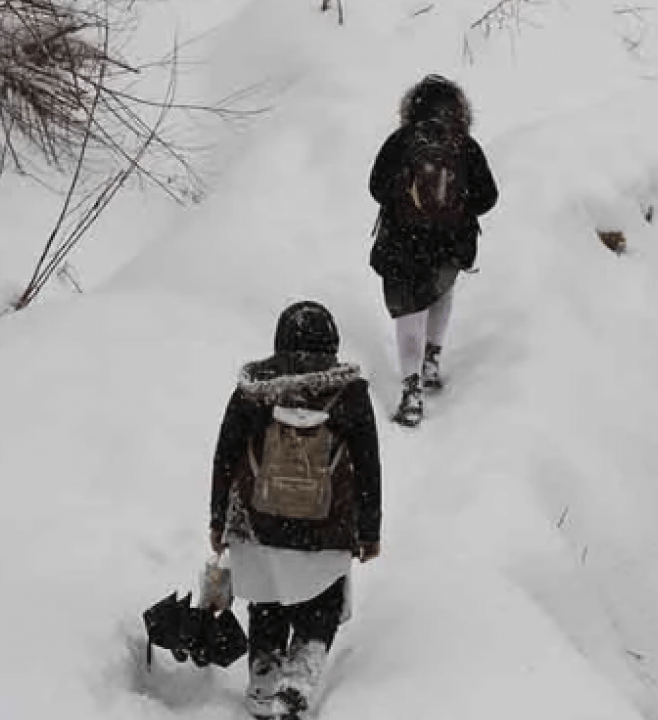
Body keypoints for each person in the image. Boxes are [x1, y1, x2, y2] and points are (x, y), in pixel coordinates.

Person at [209, 300, 382, 720]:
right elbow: (367, 464)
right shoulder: (350, 393)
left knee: (267, 601)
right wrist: (369, 530)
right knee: (320, 603)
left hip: (258, 523)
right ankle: (298, 679)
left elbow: (226, 456)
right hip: (328, 525)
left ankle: (263, 681)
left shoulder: (253, 389)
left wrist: (218, 519)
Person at [368, 74, 499, 427]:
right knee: (440, 292)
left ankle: (411, 391)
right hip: (449, 245)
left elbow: (376, 186)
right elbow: (489, 197)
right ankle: (432, 360)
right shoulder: (465, 146)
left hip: (402, 245)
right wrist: (455, 211)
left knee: (409, 311)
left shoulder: (401, 141)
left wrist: (406, 205)